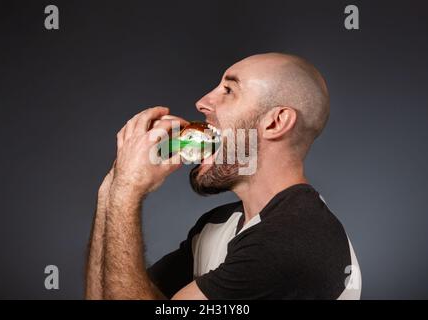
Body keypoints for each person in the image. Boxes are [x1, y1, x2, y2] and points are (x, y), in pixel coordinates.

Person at [85, 52, 361, 300]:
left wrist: (127, 190)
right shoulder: (217, 225)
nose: (202, 103)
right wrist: (111, 187)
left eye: (229, 90)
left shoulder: (293, 240)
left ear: (276, 122)